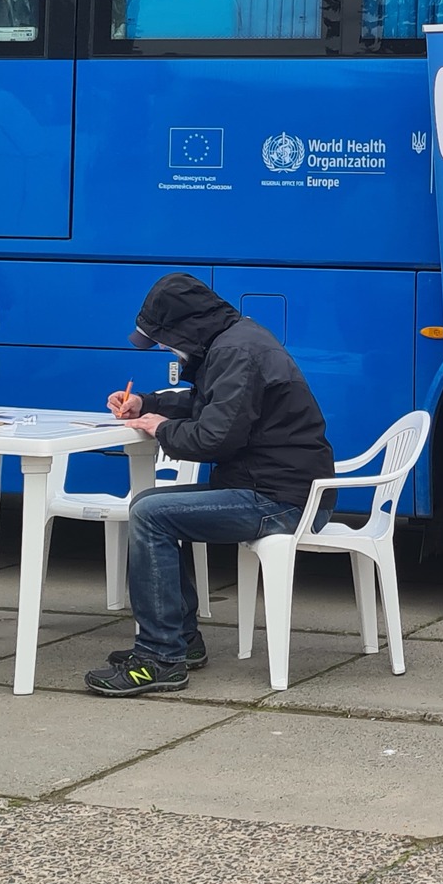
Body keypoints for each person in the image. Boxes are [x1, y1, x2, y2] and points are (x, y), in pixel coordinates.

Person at [85, 273, 333, 697]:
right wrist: (148, 403)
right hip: (281, 488)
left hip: (281, 499)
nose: (164, 348)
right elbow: (211, 406)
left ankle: (161, 658)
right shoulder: (237, 342)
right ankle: (179, 640)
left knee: (149, 513)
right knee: (154, 509)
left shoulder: (237, 352)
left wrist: (162, 429)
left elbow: (216, 436)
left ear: (185, 326)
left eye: (164, 338)